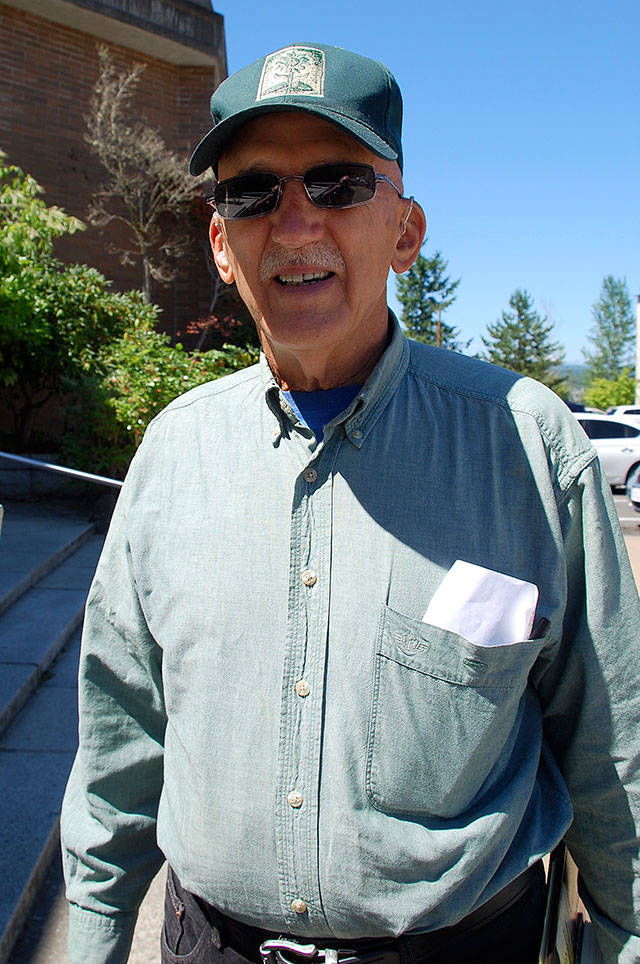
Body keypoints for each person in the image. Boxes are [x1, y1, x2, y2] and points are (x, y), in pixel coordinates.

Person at [61, 42, 640, 964]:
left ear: (405, 231)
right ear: (221, 245)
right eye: (253, 193)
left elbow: (614, 754)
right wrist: (93, 938)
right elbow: (119, 738)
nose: (294, 224)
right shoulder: (173, 456)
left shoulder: (529, 448)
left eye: (338, 184)